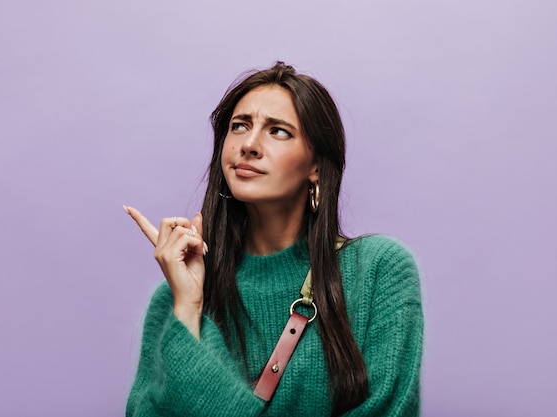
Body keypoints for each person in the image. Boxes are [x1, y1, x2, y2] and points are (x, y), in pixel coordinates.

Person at [123, 61, 423, 417]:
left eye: (278, 131)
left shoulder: (377, 270)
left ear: (316, 166)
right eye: (239, 126)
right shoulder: (174, 297)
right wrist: (189, 310)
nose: (248, 144)